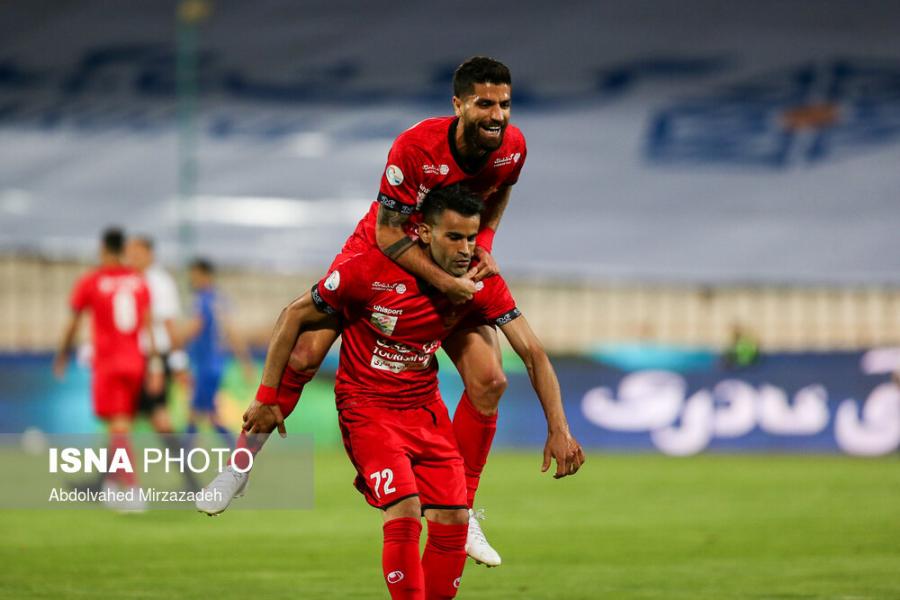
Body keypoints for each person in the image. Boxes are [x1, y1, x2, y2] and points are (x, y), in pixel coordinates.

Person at [200, 186, 583, 598]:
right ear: (424, 233)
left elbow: (533, 353)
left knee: (452, 519)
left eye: (471, 238)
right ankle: (239, 465)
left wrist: (558, 427)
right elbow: (293, 314)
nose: (465, 249)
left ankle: (467, 509)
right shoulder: (369, 270)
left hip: (425, 408)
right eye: (454, 237)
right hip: (368, 409)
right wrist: (266, 395)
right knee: (404, 509)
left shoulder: (479, 280)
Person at [226, 56, 527, 565]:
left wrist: (483, 245)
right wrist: (450, 285)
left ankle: (464, 507)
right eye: (485, 103)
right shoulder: (415, 147)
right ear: (458, 104)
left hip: (447, 258)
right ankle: (239, 465)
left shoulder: (512, 147)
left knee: (491, 380)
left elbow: (499, 194)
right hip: (384, 253)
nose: (496, 115)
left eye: (504, 104)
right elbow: (389, 233)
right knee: (305, 352)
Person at [53, 227, 163, 511]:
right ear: (123, 250)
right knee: (119, 425)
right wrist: (154, 365)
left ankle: (133, 490)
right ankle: (111, 487)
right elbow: (148, 326)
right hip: (136, 363)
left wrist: (63, 354)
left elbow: (73, 323)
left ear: (102, 249)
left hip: (109, 364)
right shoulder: (138, 282)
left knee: (118, 428)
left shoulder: (91, 281)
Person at [182, 258, 255, 447]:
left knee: (195, 413)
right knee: (211, 415)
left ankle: (184, 459)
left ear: (204, 275)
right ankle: (240, 451)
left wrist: (174, 344)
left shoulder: (201, 300)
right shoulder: (221, 300)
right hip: (217, 364)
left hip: (204, 366)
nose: (192, 280)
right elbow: (232, 332)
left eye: (194, 276)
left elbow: (195, 327)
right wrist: (245, 361)